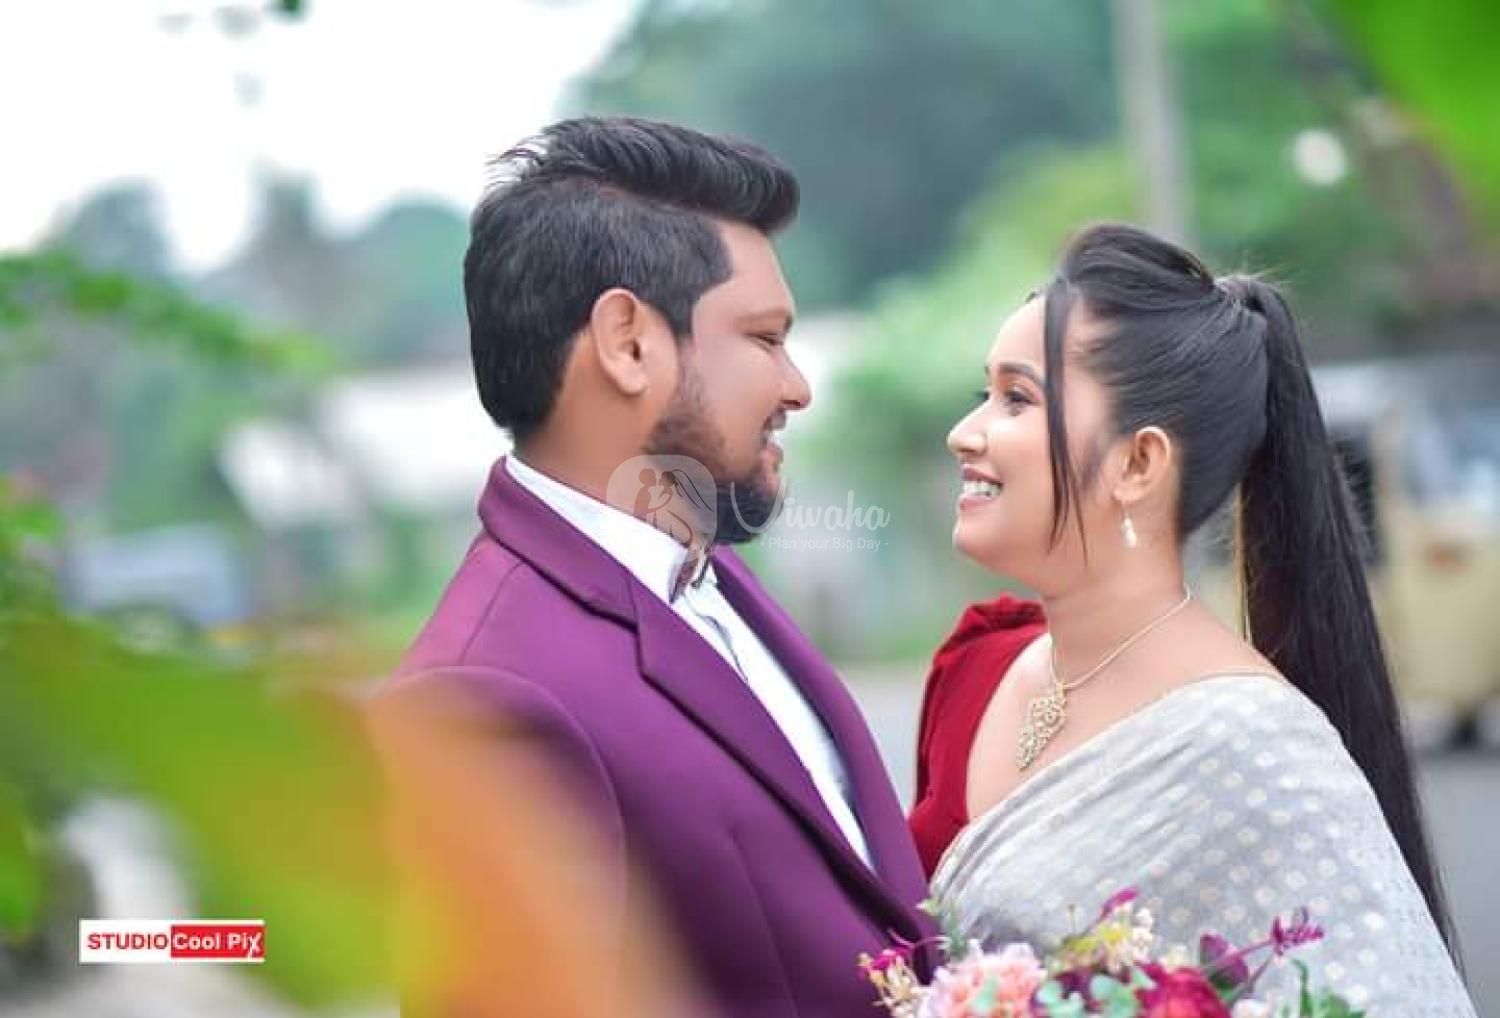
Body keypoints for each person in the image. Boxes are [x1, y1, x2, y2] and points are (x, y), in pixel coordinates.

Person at [369, 116, 931, 1017]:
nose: (796, 387)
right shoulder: (478, 698)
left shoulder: (709, 573)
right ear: (628, 342)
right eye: (765, 338)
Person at [912, 224, 1475, 1014]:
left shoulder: (1251, 743)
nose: (963, 434)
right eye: (985, 396)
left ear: (1138, 462)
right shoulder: (975, 667)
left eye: (1017, 399)